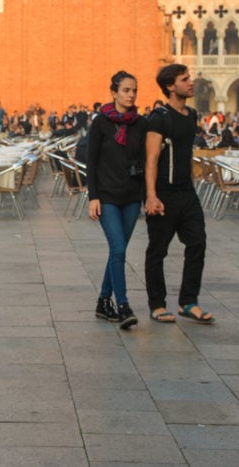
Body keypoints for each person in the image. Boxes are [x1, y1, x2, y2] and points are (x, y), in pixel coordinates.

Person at [144, 64, 214, 324]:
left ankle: (188, 301)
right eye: (185, 79)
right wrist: (151, 195)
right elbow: (151, 158)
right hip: (164, 193)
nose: (191, 82)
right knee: (158, 251)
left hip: (187, 193)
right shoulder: (158, 117)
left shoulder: (191, 114)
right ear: (171, 86)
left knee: (197, 243)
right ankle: (157, 304)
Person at [86, 71, 145, 330]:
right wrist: (93, 197)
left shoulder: (140, 124)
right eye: (126, 90)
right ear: (114, 92)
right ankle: (122, 305)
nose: (131, 94)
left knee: (116, 252)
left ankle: (102, 302)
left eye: (134, 90)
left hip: (131, 197)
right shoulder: (101, 123)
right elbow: (91, 162)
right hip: (107, 197)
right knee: (119, 249)